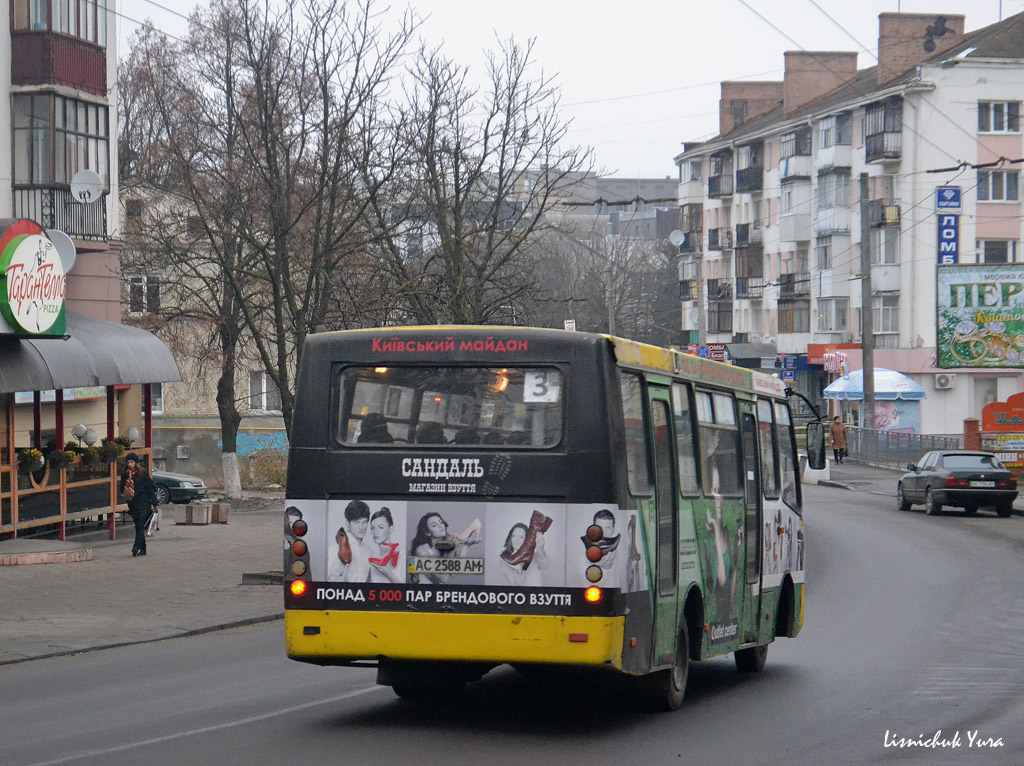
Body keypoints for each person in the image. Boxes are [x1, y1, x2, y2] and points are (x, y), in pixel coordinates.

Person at [119, 452, 159, 557]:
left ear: (136, 463)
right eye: (128, 462)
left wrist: (155, 503)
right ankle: (143, 548)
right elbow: (121, 488)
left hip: (144, 502)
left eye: (132, 462)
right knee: (138, 526)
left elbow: (150, 488)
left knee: (140, 525)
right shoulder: (125, 474)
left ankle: (136, 546)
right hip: (132, 504)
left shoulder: (142, 473)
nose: (130, 464)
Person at [499, 521, 549, 587]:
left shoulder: (533, 556)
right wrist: (519, 570)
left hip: (537, 594)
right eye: (514, 536)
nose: (516, 540)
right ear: (510, 538)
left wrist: (540, 549)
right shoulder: (505, 562)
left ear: (526, 540)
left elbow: (545, 566)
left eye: (521, 537)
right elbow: (515, 585)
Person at [367, 507, 403, 583]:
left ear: (390, 529)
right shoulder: (374, 559)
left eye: (380, 527)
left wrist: (389, 574)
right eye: (372, 528)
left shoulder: (402, 556)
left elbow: (407, 590)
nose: (375, 532)